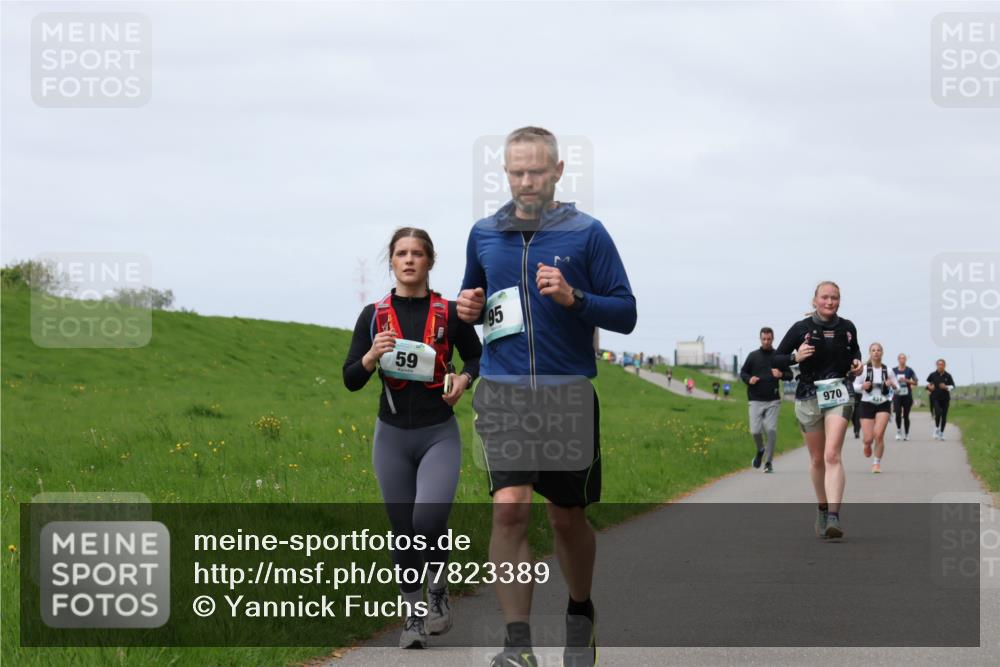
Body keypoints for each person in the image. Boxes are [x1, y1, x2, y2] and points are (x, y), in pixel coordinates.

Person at [458, 126, 637, 667]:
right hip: (504, 394)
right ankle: (519, 647)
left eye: (537, 171)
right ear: (505, 173)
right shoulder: (484, 233)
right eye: (517, 172)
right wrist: (466, 308)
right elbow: (473, 305)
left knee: (565, 518)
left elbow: (625, 313)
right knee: (509, 512)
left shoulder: (588, 234)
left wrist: (574, 296)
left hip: (567, 396)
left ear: (559, 171)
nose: (526, 181)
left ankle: (580, 613)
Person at [342, 228, 482, 649]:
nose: (408, 260)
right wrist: (369, 356)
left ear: (429, 261)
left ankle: (438, 589)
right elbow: (350, 378)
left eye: (416, 253)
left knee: (428, 520)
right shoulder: (372, 315)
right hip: (392, 436)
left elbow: (476, 355)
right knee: (403, 530)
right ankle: (414, 616)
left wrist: (464, 378)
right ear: (392, 261)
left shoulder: (452, 312)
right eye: (401, 253)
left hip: (438, 432)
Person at [774, 281, 862, 540]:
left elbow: (854, 351)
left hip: (839, 392)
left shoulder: (847, 327)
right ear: (814, 300)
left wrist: (856, 364)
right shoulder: (801, 328)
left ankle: (834, 516)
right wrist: (794, 358)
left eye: (835, 298)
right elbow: (777, 358)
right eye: (825, 297)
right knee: (816, 459)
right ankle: (822, 508)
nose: (830, 302)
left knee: (832, 454)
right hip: (808, 395)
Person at [740, 327, 792, 474]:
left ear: (773, 339)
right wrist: (749, 379)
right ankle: (760, 449)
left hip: (773, 400)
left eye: (769, 339)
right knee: (755, 431)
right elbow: (743, 372)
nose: (766, 341)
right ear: (760, 339)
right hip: (755, 399)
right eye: (764, 339)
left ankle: (768, 462)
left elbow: (790, 375)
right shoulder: (753, 356)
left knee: (771, 430)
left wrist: (781, 374)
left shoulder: (778, 357)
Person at [853, 343, 898, 474]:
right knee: (868, 438)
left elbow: (897, 387)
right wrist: (862, 387)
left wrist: (892, 385)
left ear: (882, 353)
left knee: (879, 435)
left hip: (883, 404)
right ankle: (866, 444)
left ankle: (876, 463)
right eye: (873, 350)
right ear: (870, 353)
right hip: (867, 404)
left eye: (878, 350)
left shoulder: (888, 370)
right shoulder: (864, 370)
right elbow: (854, 386)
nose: (876, 352)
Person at [927, 359, 956, 440]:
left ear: (945, 365)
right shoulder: (932, 375)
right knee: (938, 413)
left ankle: (942, 433)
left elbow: (953, 386)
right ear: (936, 365)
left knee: (944, 416)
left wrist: (946, 387)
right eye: (939, 364)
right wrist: (929, 388)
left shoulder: (948, 376)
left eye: (942, 364)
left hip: (945, 399)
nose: (940, 366)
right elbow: (928, 385)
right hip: (935, 398)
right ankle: (936, 428)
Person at [891, 353, 918, 441]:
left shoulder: (909, 370)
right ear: (898, 359)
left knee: (906, 416)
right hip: (897, 395)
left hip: (907, 396)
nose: (902, 360)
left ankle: (906, 434)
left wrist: (907, 380)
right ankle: (899, 431)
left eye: (904, 358)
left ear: (905, 360)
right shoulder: (893, 370)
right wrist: (894, 383)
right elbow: (888, 381)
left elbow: (916, 382)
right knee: (898, 414)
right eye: (900, 358)